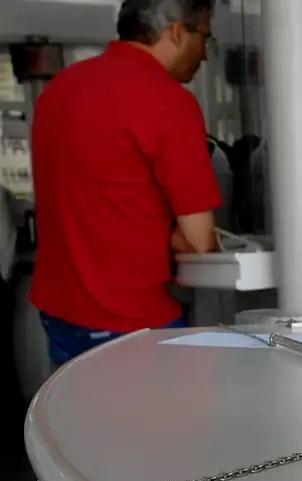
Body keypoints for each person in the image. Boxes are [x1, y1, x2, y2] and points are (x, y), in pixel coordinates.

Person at [30, 0, 221, 366]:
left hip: (59, 310)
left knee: (77, 405)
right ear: (176, 32)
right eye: (204, 38)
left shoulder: (60, 88)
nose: (205, 54)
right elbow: (200, 241)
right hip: (129, 319)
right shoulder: (168, 101)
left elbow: (93, 197)